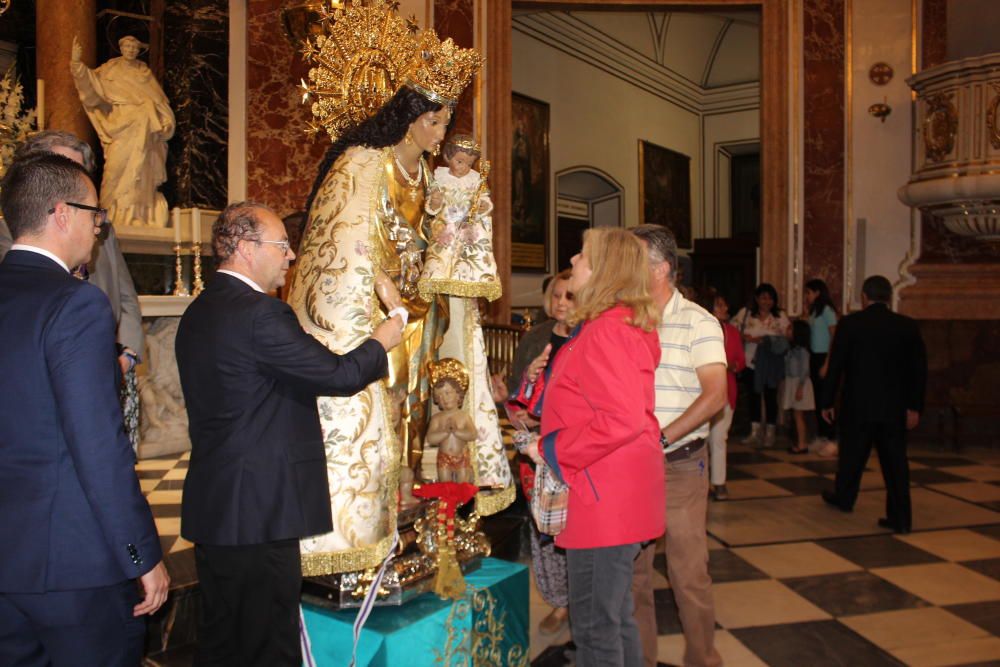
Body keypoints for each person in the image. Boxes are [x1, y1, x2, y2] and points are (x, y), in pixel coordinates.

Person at [287, 10, 510, 576]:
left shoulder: (431, 179)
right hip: (381, 312)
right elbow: (354, 242)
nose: (441, 136)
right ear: (409, 119)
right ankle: (379, 512)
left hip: (425, 306)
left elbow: (439, 233)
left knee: (422, 403)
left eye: (446, 124)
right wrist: (389, 287)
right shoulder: (367, 165)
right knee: (388, 399)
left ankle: (420, 503)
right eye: (435, 123)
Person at [175, 201, 402, 665]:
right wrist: (384, 335)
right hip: (260, 514)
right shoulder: (260, 314)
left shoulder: (199, 310)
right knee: (267, 645)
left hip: (216, 506)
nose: (291, 256)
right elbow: (337, 375)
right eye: (281, 245)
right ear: (244, 247)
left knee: (223, 639)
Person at [0, 154, 168, 665]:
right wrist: (142, 554)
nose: (99, 228)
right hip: (75, 569)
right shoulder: (76, 303)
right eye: (96, 214)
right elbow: (98, 447)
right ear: (62, 213)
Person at [523, 227, 663, 667]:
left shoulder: (606, 331)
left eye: (582, 256)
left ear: (602, 270)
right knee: (614, 617)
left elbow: (620, 418)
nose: (575, 260)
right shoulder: (614, 324)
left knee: (594, 628)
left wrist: (551, 448)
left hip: (603, 499)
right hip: (615, 494)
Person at [5, 130, 145, 450]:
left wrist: (127, 355)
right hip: (43, 386)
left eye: (80, 170)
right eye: (63, 166)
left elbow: (126, 296)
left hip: (112, 366)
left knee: (112, 454)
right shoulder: (12, 235)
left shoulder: (102, 232)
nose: (74, 179)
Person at [631, 225, 728, 667]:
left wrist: (662, 436)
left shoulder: (699, 322)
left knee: (687, 571)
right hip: (630, 467)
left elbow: (715, 395)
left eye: (633, 260)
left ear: (661, 269)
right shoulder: (626, 319)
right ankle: (642, 659)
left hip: (680, 465)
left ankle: (702, 657)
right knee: (633, 574)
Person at [820, 275, 927, 535]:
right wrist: (915, 407)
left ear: (864, 297)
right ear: (888, 298)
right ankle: (901, 518)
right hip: (895, 408)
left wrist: (827, 401)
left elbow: (836, 366)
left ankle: (844, 498)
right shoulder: (907, 326)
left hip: (858, 406)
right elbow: (919, 370)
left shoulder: (851, 324)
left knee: (852, 457)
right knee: (896, 464)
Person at [505, 268, 574, 636]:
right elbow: (517, 394)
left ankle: (583, 601)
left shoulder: (589, 336)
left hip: (574, 451)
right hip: (537, 449)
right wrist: (522, 390)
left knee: (576, 530)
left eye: (570, 295)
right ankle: (559, 602)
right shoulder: (534, 337)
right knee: (544, 530)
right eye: (557, 296)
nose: (562, 303)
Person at [71, 35, 175, 228]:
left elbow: (161, 104)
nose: (130, 50)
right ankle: (113, 213)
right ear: (121, 48)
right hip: (121, 126)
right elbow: (91, 86)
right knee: (115, 170)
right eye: (127, 46)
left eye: (134, 47)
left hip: (145, 129)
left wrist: (166, 122)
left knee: (142, 173)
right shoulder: (110, 70)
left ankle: (138, 215)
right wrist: (77, 64)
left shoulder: (144, 74)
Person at [418, 133, 500, 301]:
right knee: (441, 262)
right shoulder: (440, 177)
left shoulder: (476, 179)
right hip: (446, 229)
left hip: (468, 231)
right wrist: (435, 202)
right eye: (459, 162)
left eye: (469, 164)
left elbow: (483, 198)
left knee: (467, 263)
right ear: (448, 157)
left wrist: (484, 206)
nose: (464, 167)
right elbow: (431, 206)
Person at [732, 282, 791, 447]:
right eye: (763, 298)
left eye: (770, 298)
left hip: (771, 362)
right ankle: (755, 431)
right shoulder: (746, 314)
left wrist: (767, 340)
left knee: (771, 396)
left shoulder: (779, 316)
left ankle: (770, 432)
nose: (767, 302)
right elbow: (733, 330)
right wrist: (746, 338)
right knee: (754, 396)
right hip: (751, 361)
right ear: (757, 298)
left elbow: (787, 337)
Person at [702, 288, 746, 500]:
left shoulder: (733, 332)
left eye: (725, 305)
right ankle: (701, 484)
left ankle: (719, 483)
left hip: (726, 392)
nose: (725, 308)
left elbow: (740, 362)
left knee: (719, 438)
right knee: (699, 441)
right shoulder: (699, 330)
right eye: (720, 305)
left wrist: (732, 366)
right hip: (701, 394)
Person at [426, 358, 476, 484]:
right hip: (444, 459)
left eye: (448, 393)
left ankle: (463, 503)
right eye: (440, 396)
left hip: (462, 457)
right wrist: (445, 433)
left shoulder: (464, 416)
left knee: (463, 487)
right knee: (445, 487)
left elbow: (473, 434)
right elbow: (431, 438)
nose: (444, 398)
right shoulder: (437, 418)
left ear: (458, 394)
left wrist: (457, 431)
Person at [805, 278, 838, 446]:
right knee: (818, 397)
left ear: (817, 292)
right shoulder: (814, 311)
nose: (807, 296)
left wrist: (827, 362)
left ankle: (830, 436)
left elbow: (834, 337)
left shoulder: (826, 310)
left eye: (809, 292)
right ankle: (822, 434)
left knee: (826, 398)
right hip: (815, 356)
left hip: (825, 356)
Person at [783, 320, 816, 454]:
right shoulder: (792, 349)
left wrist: (800, 387)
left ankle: (802, 444)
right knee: (797, 415)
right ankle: (800, 442)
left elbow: (804, 370)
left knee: (799, 415)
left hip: (799, 384)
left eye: (790, 329)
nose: (787, 331)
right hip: (793, 382)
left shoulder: (802, 351)